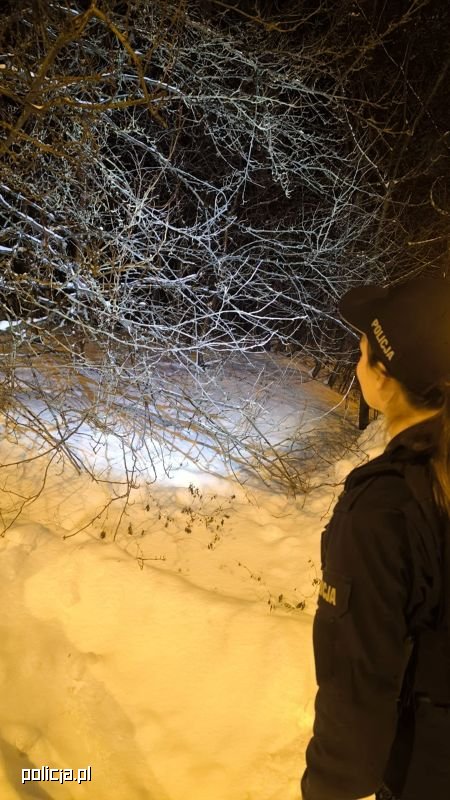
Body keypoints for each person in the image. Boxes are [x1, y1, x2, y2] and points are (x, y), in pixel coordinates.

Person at [300, 276, 450, 800]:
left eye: (363, 352)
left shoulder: (384, 509)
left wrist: (328, 788)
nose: (356, 364)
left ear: (384, 377)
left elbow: (356, 686)